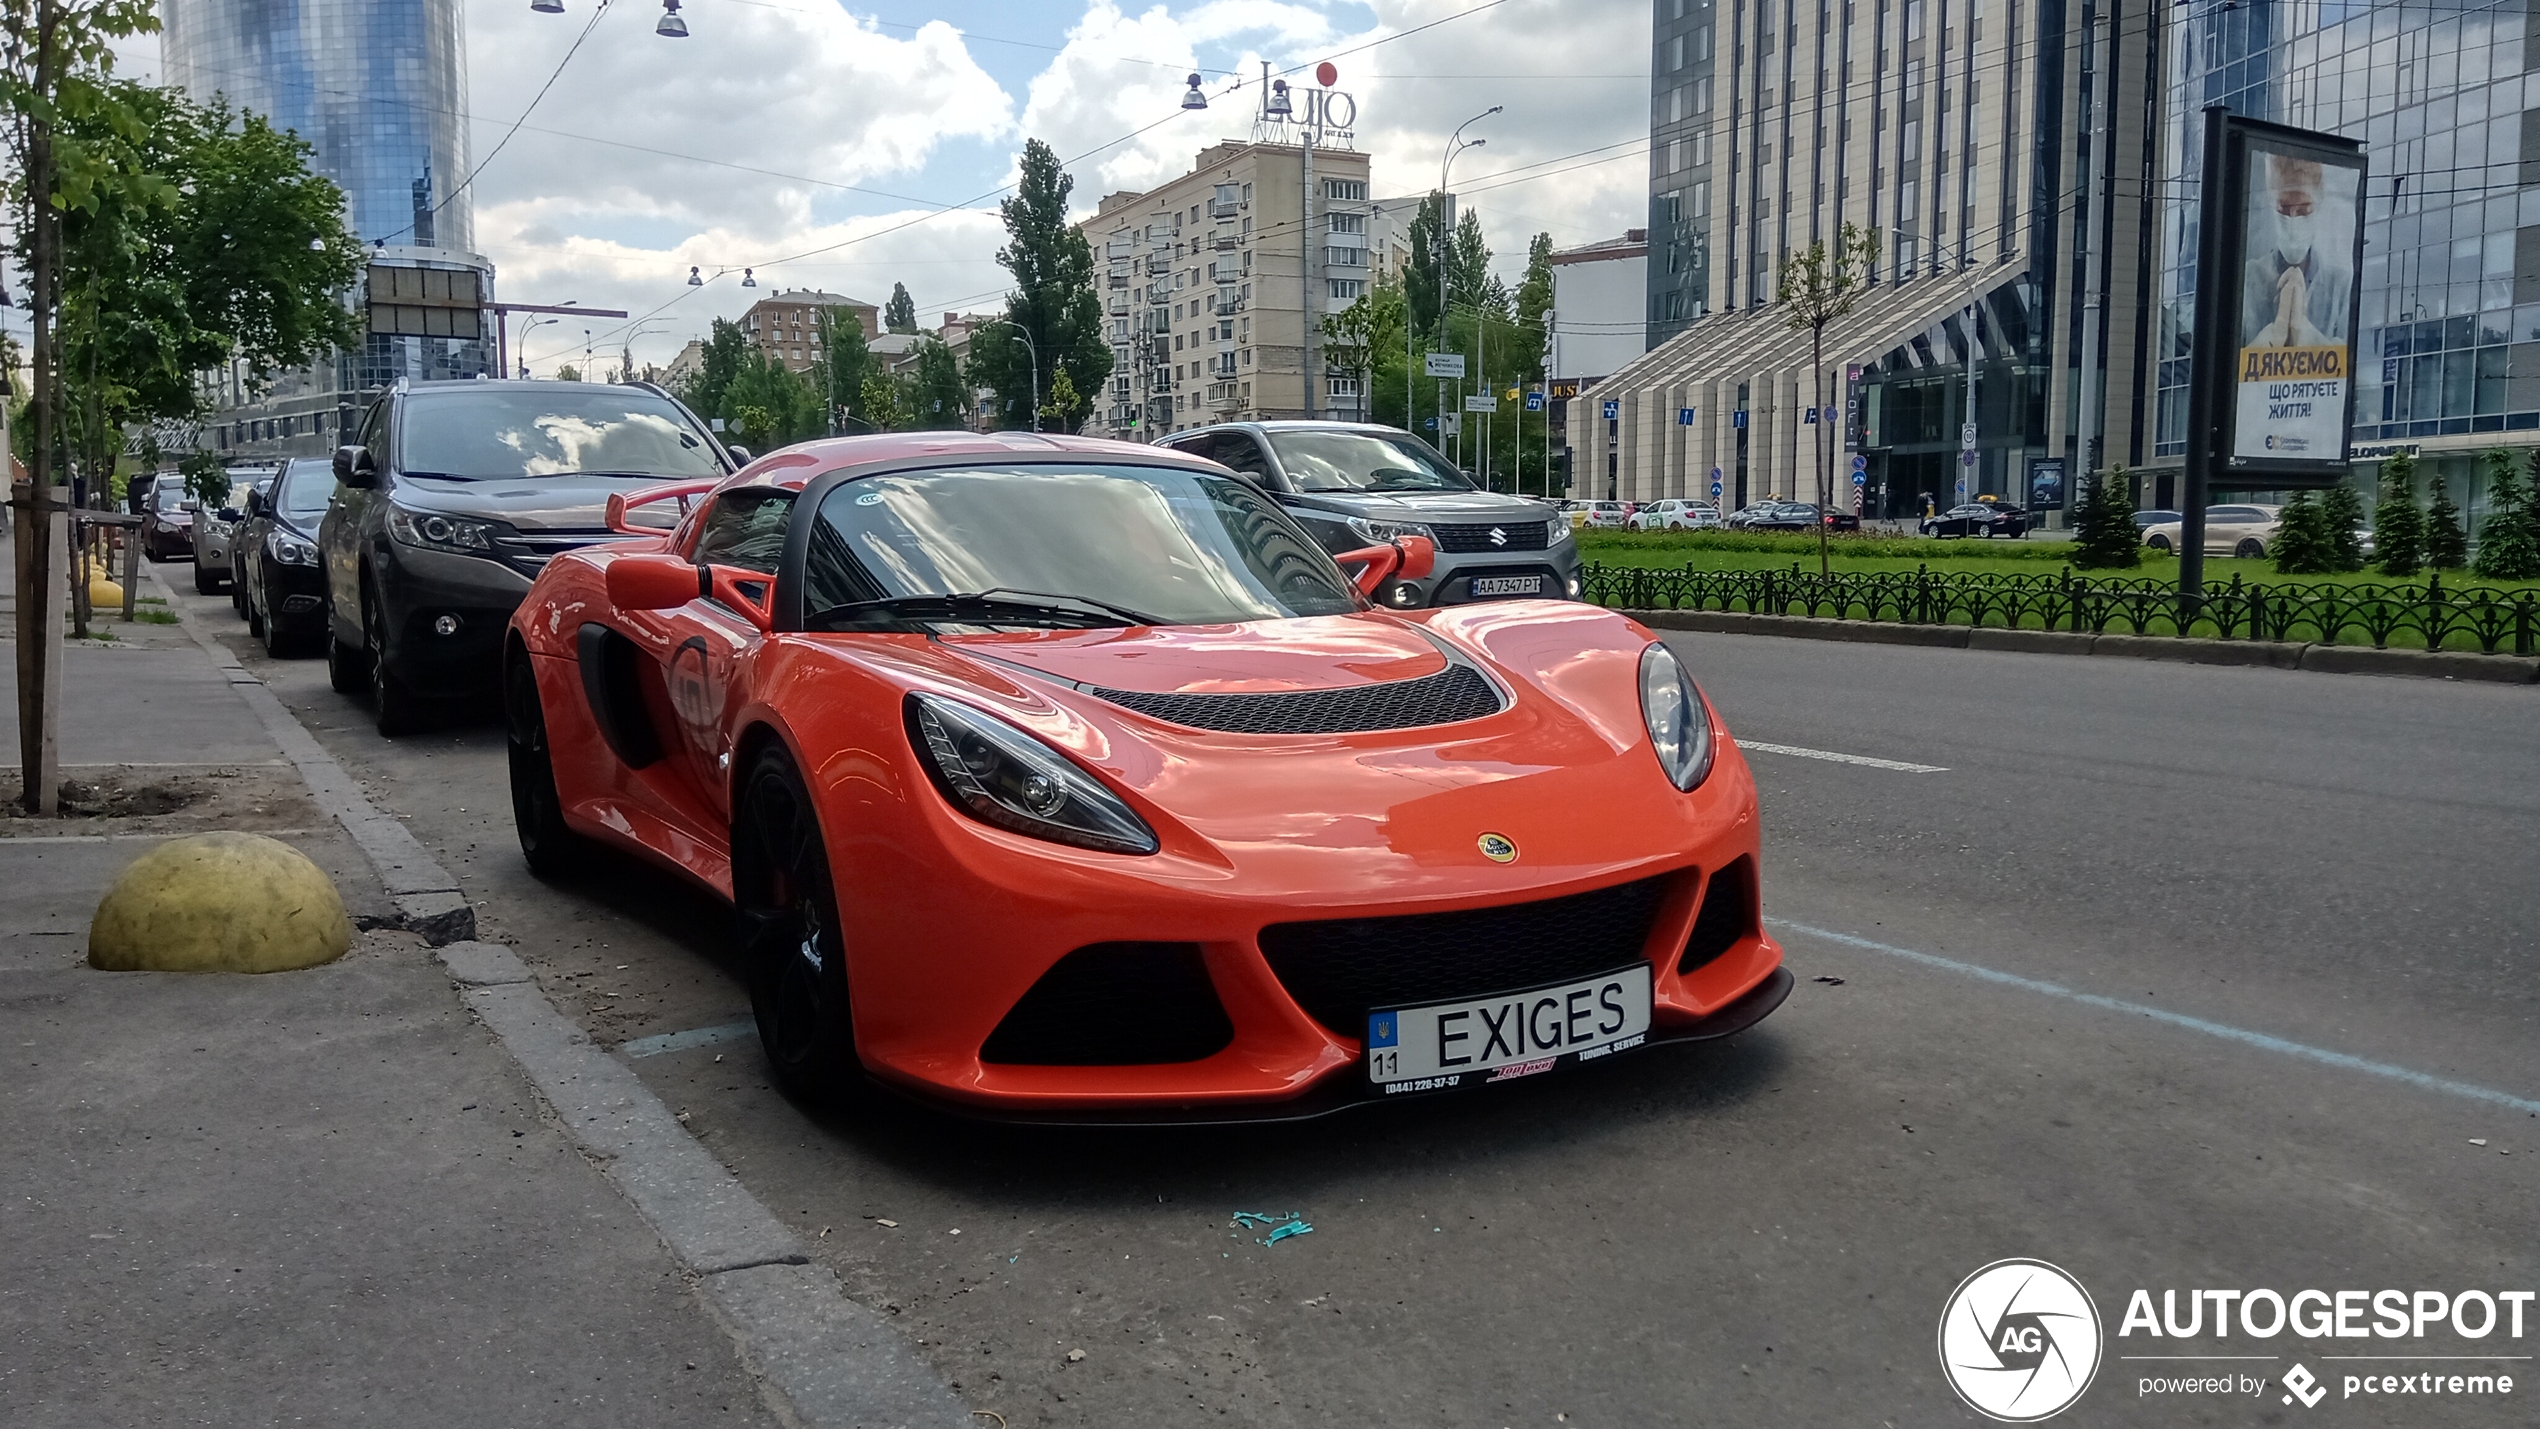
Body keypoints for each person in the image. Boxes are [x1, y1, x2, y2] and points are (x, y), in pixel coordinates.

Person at [2241, 152, 2350, 350]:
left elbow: (2351, 371)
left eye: (2303, 210)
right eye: (2283, 208)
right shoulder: (2248, 280)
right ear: (2270, 202)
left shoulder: (2340, 287)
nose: (2292, 219)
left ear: (2319, 202)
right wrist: (2272, 335)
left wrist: (2305, 332)